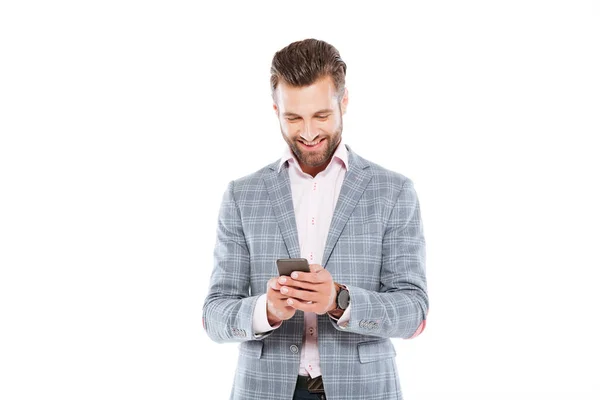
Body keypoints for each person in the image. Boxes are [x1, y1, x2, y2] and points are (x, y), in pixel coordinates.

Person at [202, 38, 428, 400]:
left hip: (364, 390)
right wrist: (267, 310)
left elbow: (414, 311)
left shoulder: (394, 191)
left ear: (345, 103)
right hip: (264, 389)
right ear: (275, 110)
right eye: (293, 118)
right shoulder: (241, 195)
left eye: (321, 116)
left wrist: (339, 300)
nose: (307, 133)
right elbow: (214, 315)